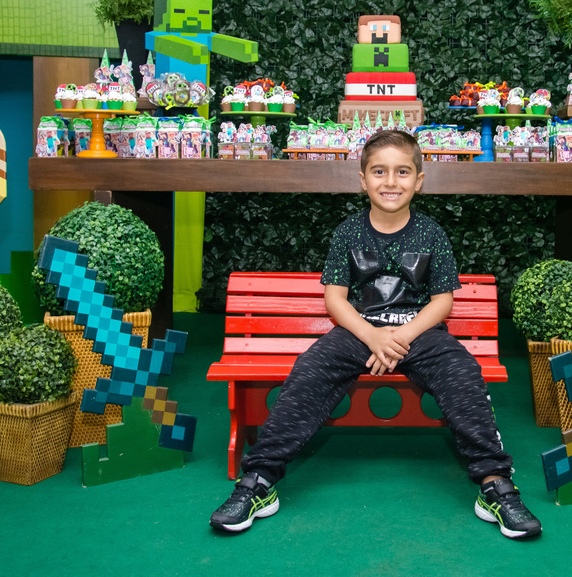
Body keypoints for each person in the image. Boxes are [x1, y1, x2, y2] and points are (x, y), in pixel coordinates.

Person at [210, 129, 541, 539]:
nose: (391, 181)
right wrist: (374, 336)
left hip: (420, 332)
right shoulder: (348, 232)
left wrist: (399, 337)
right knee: (309, 370)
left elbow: (442, 302)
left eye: (402, 171)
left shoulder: (431, 233)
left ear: (419, 180)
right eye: (379, 171)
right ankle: (258, 481)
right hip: (359, 331)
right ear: (363, 179)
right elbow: (335, 300)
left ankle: (495, 485)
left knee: (463, 373)